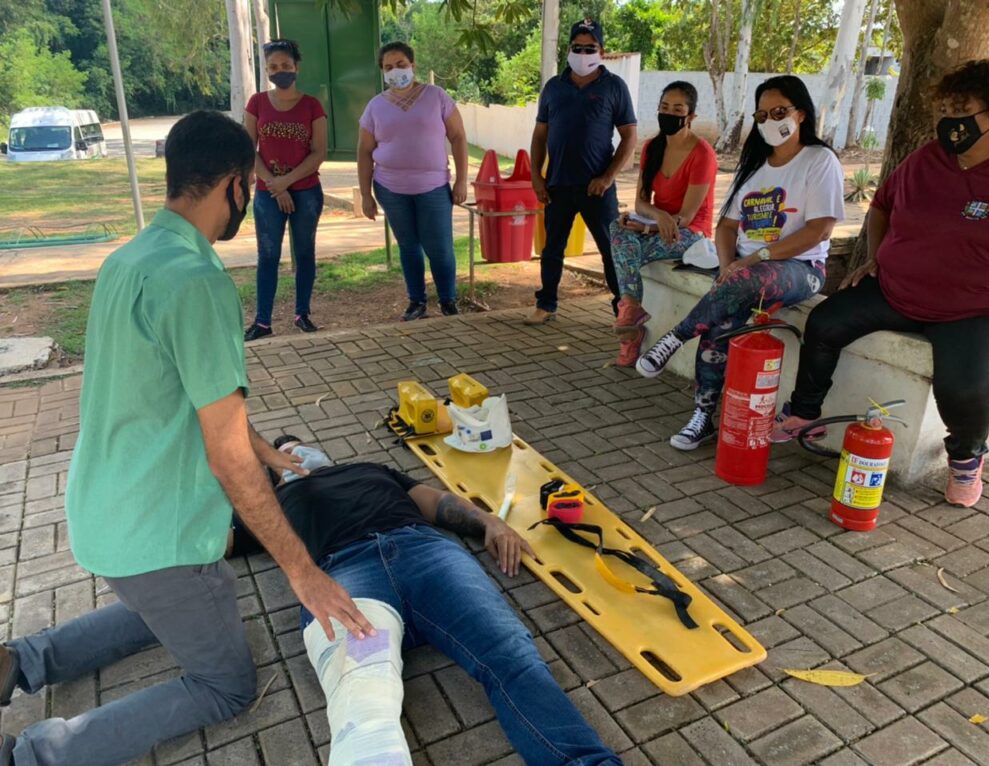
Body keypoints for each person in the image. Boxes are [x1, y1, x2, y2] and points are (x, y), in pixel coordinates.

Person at [0, 111, 372, 766]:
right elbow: (223, 455)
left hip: (102, 516)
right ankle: (35, 755)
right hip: (157, 538)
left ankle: (17, 663)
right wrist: (302, 570)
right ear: (234, 185)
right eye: (250, 189)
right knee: (225, 682)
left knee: (174, 610)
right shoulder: (198, 283)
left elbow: (205, 404)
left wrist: (269, 453)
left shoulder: (129, 259)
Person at [228, 437, 624, 766]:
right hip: (344, 577)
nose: (297, 454)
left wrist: (489, 521)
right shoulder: (266, 505)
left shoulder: (370, 469)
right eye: (285, 452)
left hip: (426, 553)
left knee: (511, 655)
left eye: (299, 445)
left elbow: (436, 503)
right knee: (364, 701)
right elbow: (212, 544)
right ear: (274, 471)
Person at [773, 60, 989, 508]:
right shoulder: (926, 159)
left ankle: (966, 459)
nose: (949, 121)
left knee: (968, 387)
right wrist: (875, 257)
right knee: (826, 322)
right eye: (943, 109)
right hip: (896, 290)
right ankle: (803, 414)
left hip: (978, 310)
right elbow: (883, 206)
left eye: (961, 109)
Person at [635, 76, 845, 451]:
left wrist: (751, 260)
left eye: (779, 112)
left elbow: (819, 230)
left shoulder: (819, 160)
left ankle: (676, 336)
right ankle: (702, 417)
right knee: (721, 324)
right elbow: (726, 226)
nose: (769, 121)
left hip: (799, 269)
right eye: (762, 114)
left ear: (801, 113)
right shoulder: (753, 166)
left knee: (741, 285)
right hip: (744, 271)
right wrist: (730, 264)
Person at [527, 18, 638, 325]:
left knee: (610, 249)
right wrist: (537, 176)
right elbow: (539, 136)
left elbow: (629, 137)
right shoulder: (553, 87)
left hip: (597, 188)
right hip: (558, 185)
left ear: (601, 50)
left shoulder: (614, 86)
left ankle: (623, 310)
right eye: (578, 47)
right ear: (569, 48)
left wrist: (607, 177)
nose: (584, 53)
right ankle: (546, 303)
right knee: (552, 249)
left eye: (591, 47)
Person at [357, 41, 469, 322]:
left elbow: (458, 138)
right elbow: (364, 152)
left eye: (401, 65)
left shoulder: (437, 97)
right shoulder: (375, 106)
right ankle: (417, 302)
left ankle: (447, 301)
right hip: (390, 189)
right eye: (389, 67)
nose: (396, 71)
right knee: (408, 246)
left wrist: (461, 182)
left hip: (433, 188)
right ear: (382, 71)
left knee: (440, 247)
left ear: (413, 65)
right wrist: (366, 194)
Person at [610, 81, 718, 366]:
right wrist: (648, 220)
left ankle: (630, 327)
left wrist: (650, 227)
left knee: (626, 252)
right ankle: (631, 309)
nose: (669, 113)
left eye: (678, 109)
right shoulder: (652, 147)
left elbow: (689, 215)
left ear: (691, 116)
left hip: (691, 233)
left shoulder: (702, 154)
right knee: (617, 228)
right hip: (659, 223)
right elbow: (642, 202)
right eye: (664, 107)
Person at [243, 38, 328, 341]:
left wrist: (287, 182)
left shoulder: (312, 106)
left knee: (304, 253)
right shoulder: (257, 103)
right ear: (266, 70)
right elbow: (248, 149)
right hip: (269, 193)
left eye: (286, 66)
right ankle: (263, 321)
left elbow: (319, 152)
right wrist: (275, 187)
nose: (281, 71)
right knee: (267, 255)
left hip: (306, 192)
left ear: (296, 68)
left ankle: (302, 314)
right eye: (274, 67)